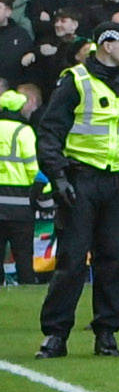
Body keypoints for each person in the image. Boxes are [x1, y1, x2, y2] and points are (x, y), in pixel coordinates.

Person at [34, 20, 119, 356]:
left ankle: (106, 333)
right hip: (81, 179)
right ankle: (56, 334)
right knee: (71, 260)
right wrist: (58, 176)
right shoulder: (75, 80)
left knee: (114, 260)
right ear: (107, 44)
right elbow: (50, 132)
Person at [0, 85, 36, 289]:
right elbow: (32, 168)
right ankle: (28, 291)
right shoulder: (24, 131)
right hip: (20, 206)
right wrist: (47, 196)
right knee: (23, 255)